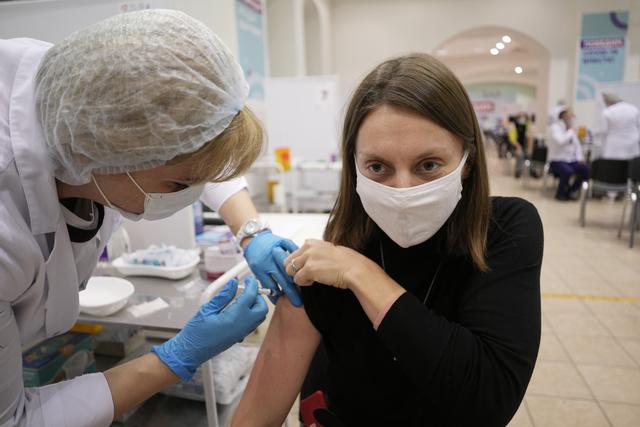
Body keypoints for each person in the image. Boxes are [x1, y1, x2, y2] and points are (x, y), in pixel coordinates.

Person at [0, 10, 299, 427]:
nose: (195, 194)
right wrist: (178, 355)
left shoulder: (88, 99)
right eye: (180, 185)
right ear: (98, 155)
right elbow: (13, 419)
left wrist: (252, 232)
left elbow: (186, 145)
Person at [231, 53, 543, 427]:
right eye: (378, 167)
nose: (403, 190)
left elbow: (487, 402)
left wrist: (361, 274)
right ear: (354, 167)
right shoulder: (344, 241)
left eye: (429, 165)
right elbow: (256, 415)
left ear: (469, 160)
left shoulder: (504, 228)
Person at [548, 108, 589, 201]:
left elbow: (577, 146)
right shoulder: (555, 128)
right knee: (568, 171)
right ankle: (560, 194)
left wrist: (580, 158)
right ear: (563, 116)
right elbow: (560, 141)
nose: (573, 117)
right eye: (570, 115)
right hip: (557, 160)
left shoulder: (571, 129)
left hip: (571, 160)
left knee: (586, 169)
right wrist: (571, 131)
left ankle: (571, 191)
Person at [600, 93, 640, 160]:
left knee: (616, 168)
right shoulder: (634, 109)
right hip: (633, 147)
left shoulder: (607, 111)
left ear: (609, 102)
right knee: (631, 168)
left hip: (614, 149)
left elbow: (603, 131)